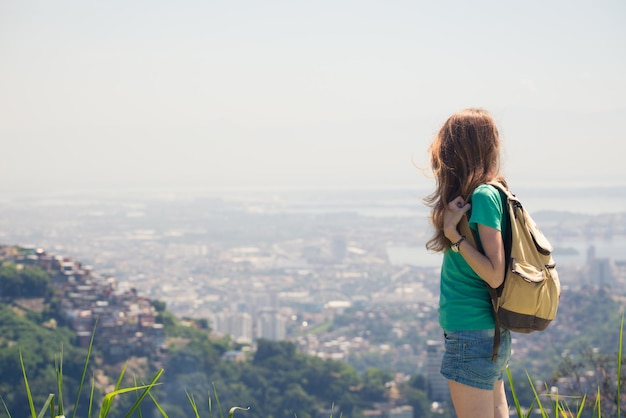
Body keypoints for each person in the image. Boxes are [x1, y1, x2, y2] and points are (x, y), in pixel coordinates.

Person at [424, 108, 512, 418]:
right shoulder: (478, 196)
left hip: (473, 335)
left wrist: (453, 235)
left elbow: (494, 273)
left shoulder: (485, 196)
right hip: (483, 333)